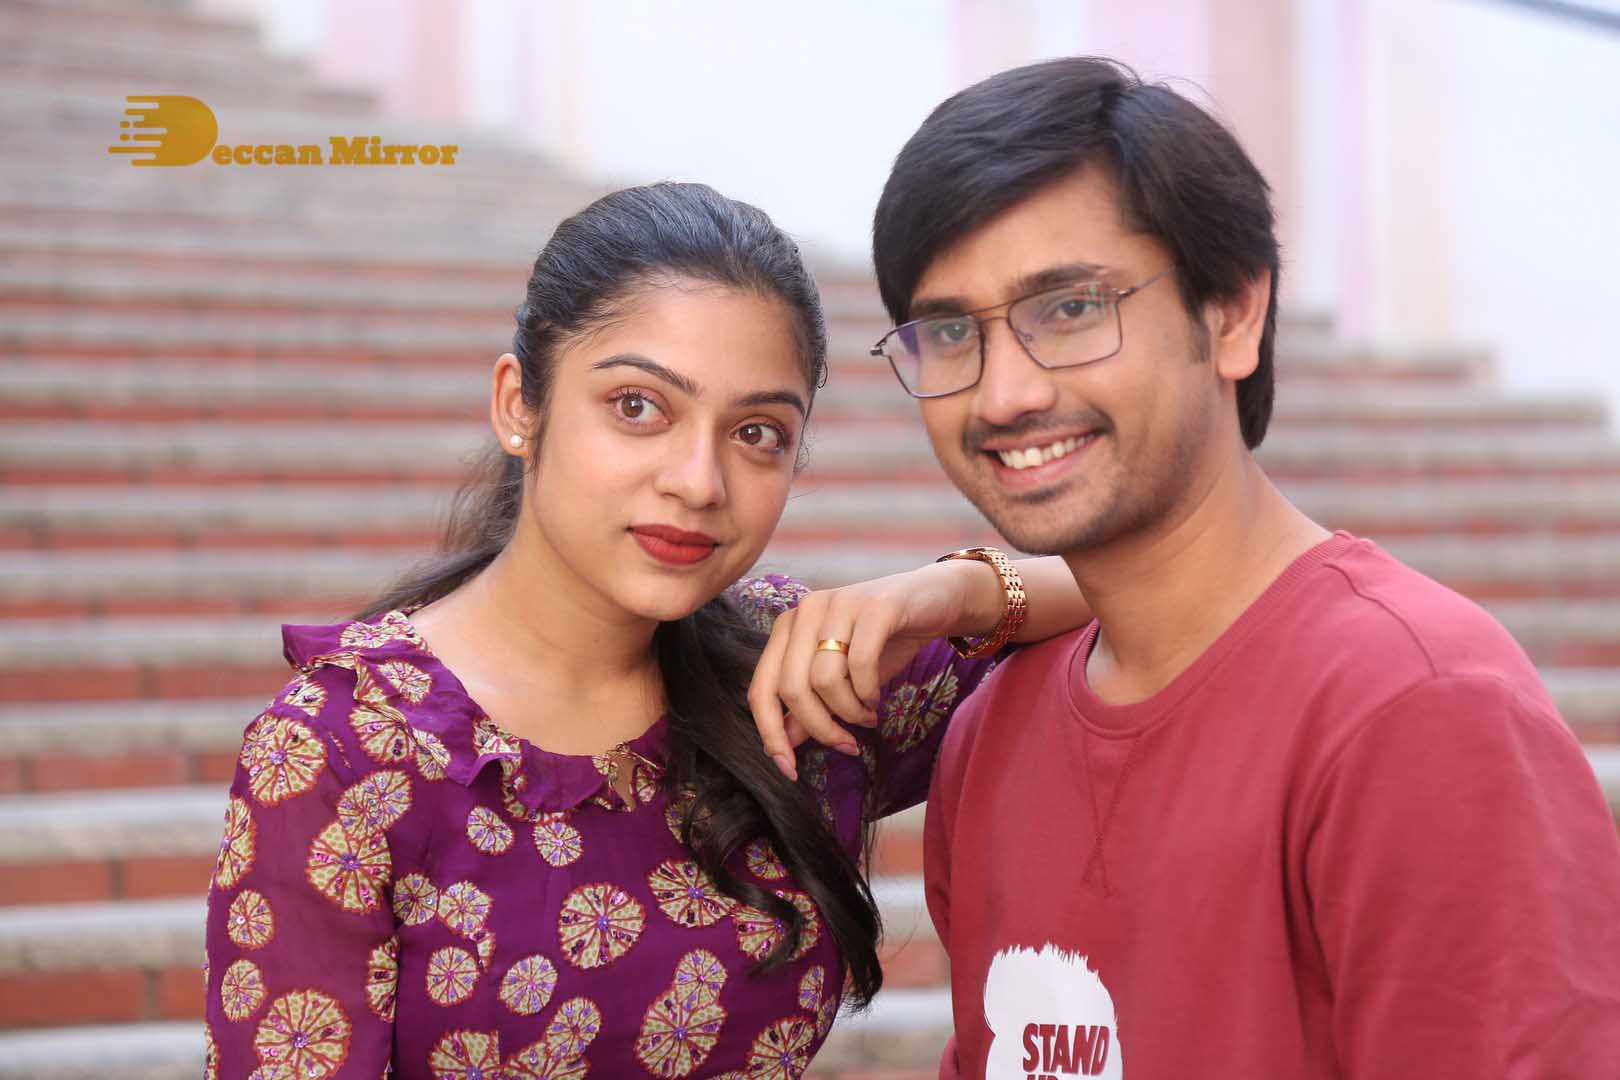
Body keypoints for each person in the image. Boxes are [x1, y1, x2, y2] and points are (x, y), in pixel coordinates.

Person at [760, 57, 1620, 1077]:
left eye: (1070, 308)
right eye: (952, 331)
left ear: (1233, 314)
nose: (1004, 395)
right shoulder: (993, 733)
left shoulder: (1415, 708)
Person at [200, 181, 1092, 1079]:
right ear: (519, 405)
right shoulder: (347, 749)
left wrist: (959, 591)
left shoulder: (788, 679)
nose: (699, 481)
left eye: (757, 432)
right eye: (638, 407)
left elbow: (1129, 596)